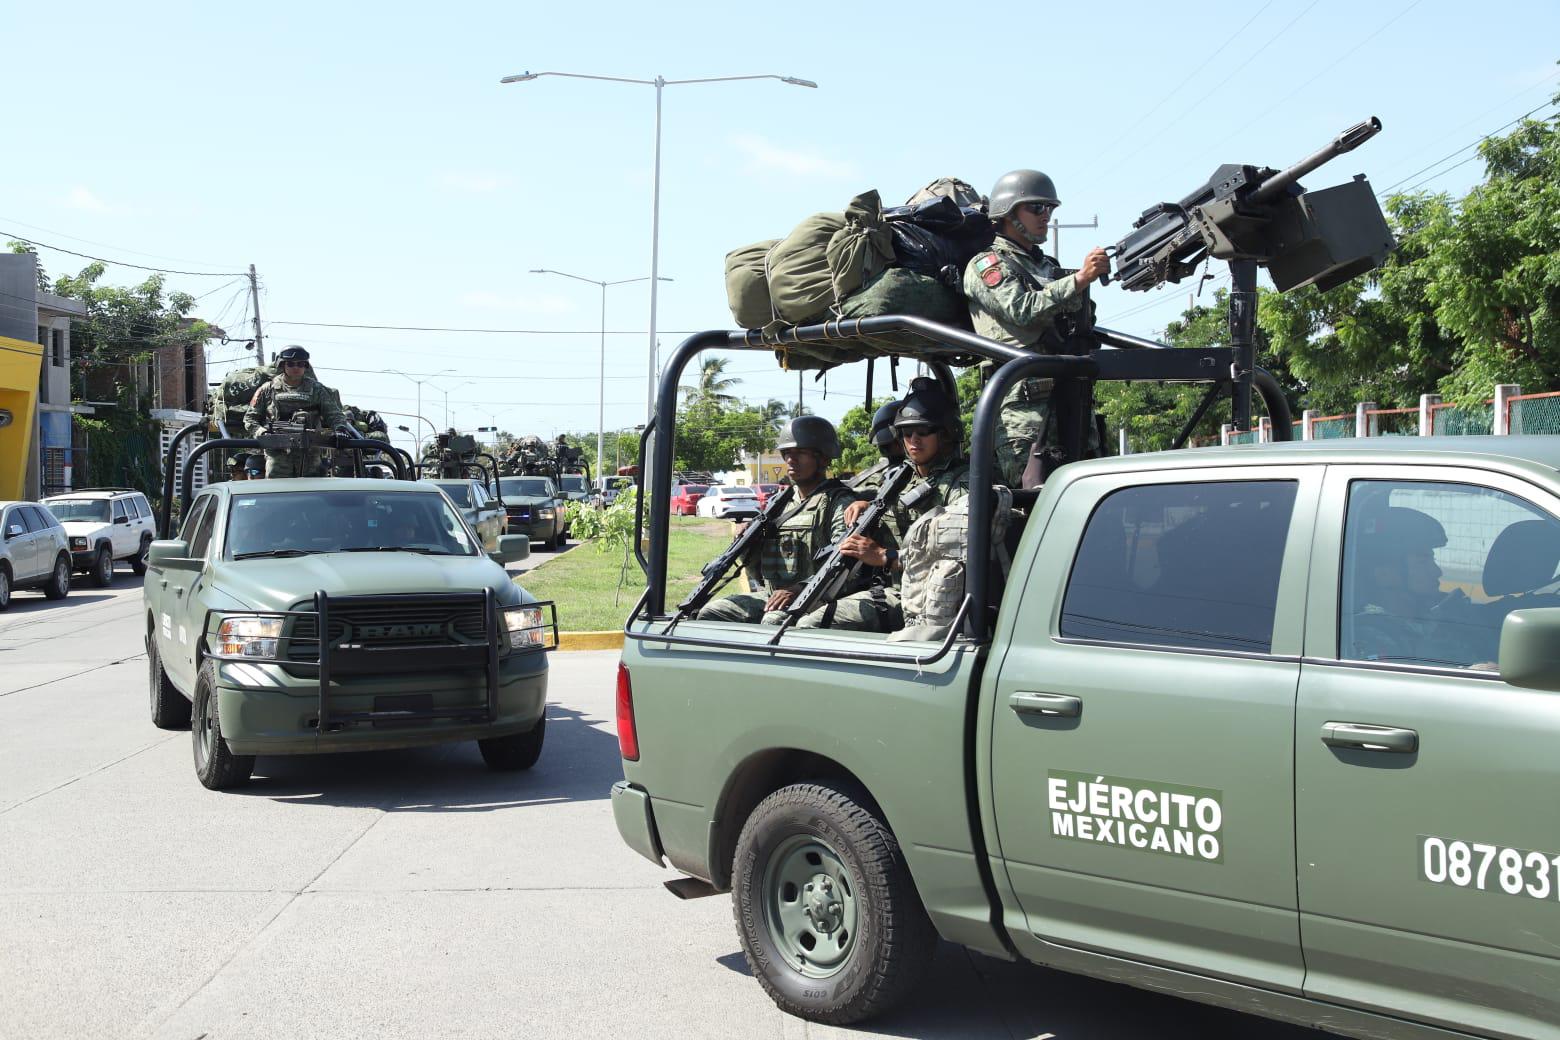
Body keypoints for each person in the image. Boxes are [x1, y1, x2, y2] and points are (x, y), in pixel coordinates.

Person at [963, 170, 1111, 487]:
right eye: (1036, 208)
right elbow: (1022, 310)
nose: (1045, 216)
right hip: (1023, 408)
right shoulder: (986, 265)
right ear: (1007, 213)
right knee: (1030, 498)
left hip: (1071, 395)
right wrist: (1079, 281)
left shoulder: (1047, 266)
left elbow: (1083, 323)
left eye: (1049, 209)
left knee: (1086, 490)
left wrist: (1079, 289)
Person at [801, 379, 969, 632]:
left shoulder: (963, 483)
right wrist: (866, 504)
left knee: (811, 626)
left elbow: (957, 558)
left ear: (945, 433)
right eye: (906, 432)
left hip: (934, 597)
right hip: (896, 589)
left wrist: (884, 556)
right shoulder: (901, 478)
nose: (913, 440)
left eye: (923, 431)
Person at [697, 416, 860, 625]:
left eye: (800, 453)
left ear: (824, 458)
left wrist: (800, 588)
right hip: (775, 596)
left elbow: (845, 565)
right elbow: (759, 570)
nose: (791, 460)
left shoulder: (839, 501)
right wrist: (749, 541)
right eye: (787, 454)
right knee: (714, 612)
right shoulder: (779, 503)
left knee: (773, 621)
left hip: (818, 596)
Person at [1346, 507, 1495, 668]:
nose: (1437, 571)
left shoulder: (1434, 619)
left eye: (1432, 560)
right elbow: (1394, 689)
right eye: (1422, 562)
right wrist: (1471, 673)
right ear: (1385, 574)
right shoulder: (1369, 636)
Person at [244, 345, 346, 478]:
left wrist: (340, 430)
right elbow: (250, 419)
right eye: (291, 364)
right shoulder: (267, 389)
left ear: (306, 366)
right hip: (278, 456)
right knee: (278, 495)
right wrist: (263, 433)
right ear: (283, 365)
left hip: (310, 456)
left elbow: (335, 415)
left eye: (300, 364)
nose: (296, 368)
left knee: (313, 495)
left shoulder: (317, 390)